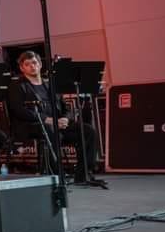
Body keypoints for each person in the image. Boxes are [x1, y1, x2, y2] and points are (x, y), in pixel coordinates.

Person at [6, 51, 98, 181]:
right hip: (31, 125)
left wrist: (65, 118)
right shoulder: (17, 86)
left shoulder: (51, 84)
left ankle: (83, 174)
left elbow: (66, 107)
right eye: (27, 64)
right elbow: (19, 110)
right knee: (49, 130)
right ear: (22, 68)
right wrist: (48, 120)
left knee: (88, 131)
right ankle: (56, 174)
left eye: (34, 62)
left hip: (57, 124)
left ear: (40, 64)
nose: (32, 66)